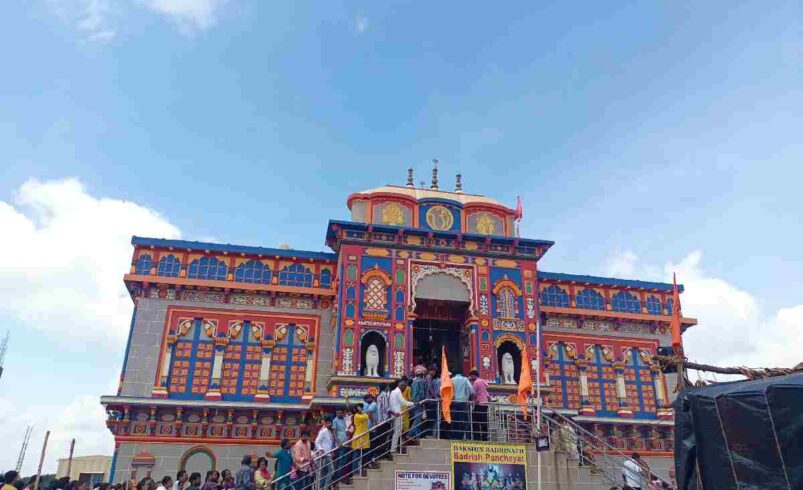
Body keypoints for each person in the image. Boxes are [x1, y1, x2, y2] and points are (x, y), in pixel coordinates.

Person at [389, 377, 414, 453]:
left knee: (397, 432)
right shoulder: (397, 392)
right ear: (398, 384)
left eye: (405, 385)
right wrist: (413, 403)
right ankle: (393, 449)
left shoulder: (393, 392)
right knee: (397, 432)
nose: (404, 387)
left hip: (394, 413)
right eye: (402, 385)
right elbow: (403, 402)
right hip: (397, 414)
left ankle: (394, 448)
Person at [451, 369, 474, 440]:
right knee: (464, 420)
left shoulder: (451, 379)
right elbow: (471, 390)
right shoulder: (465, 379)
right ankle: (464, 437)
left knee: (454, 419)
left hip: (454, 402)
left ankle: (454, 436)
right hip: (463, 402)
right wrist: (469, 396)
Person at [349, 404, 370, 479]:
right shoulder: (357, 415)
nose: (362, 409)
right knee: (356, 455)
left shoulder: (358, 415)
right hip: (359, 437)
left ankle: (358, 471)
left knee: (361, 455)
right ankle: (354, 472)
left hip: (362, 436)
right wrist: (361, 411)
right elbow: (366, 416)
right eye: (361, 408)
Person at [314, 416, 335, 489]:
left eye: (330, 423)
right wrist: (321, 450)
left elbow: (329, 443)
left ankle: (321, 488)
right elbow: (317, 441)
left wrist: (332, 451)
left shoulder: (329, 431)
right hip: (325, 455)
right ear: (325, 423)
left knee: (324, 473)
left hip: (328, 454)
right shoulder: (323, 431)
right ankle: (325, 488)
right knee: (331, 471)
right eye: (327, 423)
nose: (329, 424)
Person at [468, 369, 489, 441]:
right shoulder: (483, 381)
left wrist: (472, 399)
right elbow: (486, 392)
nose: (470, 377)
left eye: (471, 376)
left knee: (475, 422)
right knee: (484, 421)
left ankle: (477, 437)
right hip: (485, 404)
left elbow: (473, 393)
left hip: (479, 404)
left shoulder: (476, 382)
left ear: (473, 375)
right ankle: (484, 437)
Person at [331, 408, 350, 480]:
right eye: (337, 413)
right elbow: (334, 433)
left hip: (347, 443)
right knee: (340, 462)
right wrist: (338, 442)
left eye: (340, 413)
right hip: (340, 444)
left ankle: (343, 477)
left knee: (345, 462)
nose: (338, 414)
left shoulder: (345, 419)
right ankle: (337, 478)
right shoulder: (335, 420)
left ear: (343, 413)